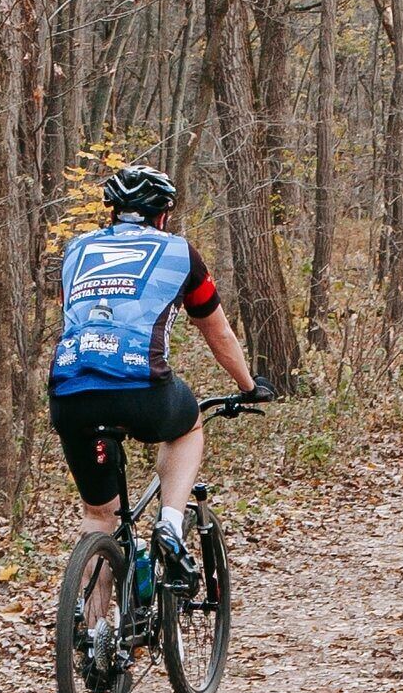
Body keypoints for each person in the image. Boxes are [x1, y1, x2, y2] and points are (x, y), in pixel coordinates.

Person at [50, 164, 261, 574]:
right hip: (141, 389)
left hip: (70, 391)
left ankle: (94, 631)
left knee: (98, 518)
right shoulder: (179, 251)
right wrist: (249, 386)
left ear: (113, 211)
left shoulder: (76, 250)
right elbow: (218, 334)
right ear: (163, 214)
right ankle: (170, 523)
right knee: (188, 425)